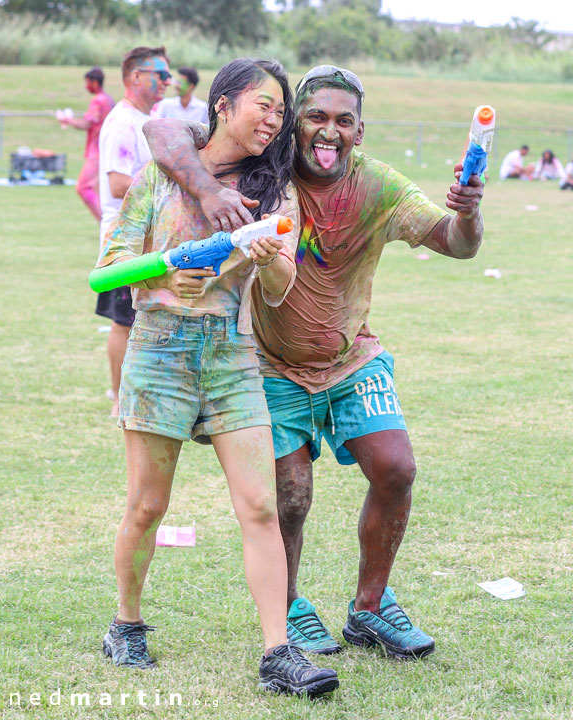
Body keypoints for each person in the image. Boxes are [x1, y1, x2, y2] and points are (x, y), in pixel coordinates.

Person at [143, 64, 485, 661]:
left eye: (344, 122)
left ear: (360, 130)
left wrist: (468, 211)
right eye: (316, 118)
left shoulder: (379, 185)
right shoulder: (266, 171)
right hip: (273, 364)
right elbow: (160, 131)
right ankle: (294, 607)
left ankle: (370, 609)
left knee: (396, 468)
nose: (329, 132)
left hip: (352, 356)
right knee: (291, 491)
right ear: (294, 125)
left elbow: (456, 243)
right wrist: (207, 188)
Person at [97, 57, 339, 698]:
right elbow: (113, 261)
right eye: (264, 103)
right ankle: (126, 621)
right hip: (160, 353)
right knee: (147, 506)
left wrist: (268, 260)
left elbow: (284, 287)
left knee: (260, 505)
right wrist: (159, 276)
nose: (275, 118)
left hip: (232, 356)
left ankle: (277, 652)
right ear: (224, 105)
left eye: (281, 110)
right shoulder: (162, 178)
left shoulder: (274, 191)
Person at [97, 46, 171, 417]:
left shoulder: (151, 118)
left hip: (151, 242)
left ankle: (142, 394)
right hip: (124, 246)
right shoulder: (122, 124)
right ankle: (118, 397)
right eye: (160, 74)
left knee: (147, 320)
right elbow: (116, 184)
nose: (167, 81)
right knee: (124, 322)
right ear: (136, 76)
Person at [58, 67, 114, 221]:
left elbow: (87, 124)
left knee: (83, 187)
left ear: (95, 83)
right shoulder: (108, 99)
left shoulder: (98, 100)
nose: (86, 86)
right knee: (99, 190)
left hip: (97, 151)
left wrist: (67, 120)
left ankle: (106, 223)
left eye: (87, 83)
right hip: (106, 149)